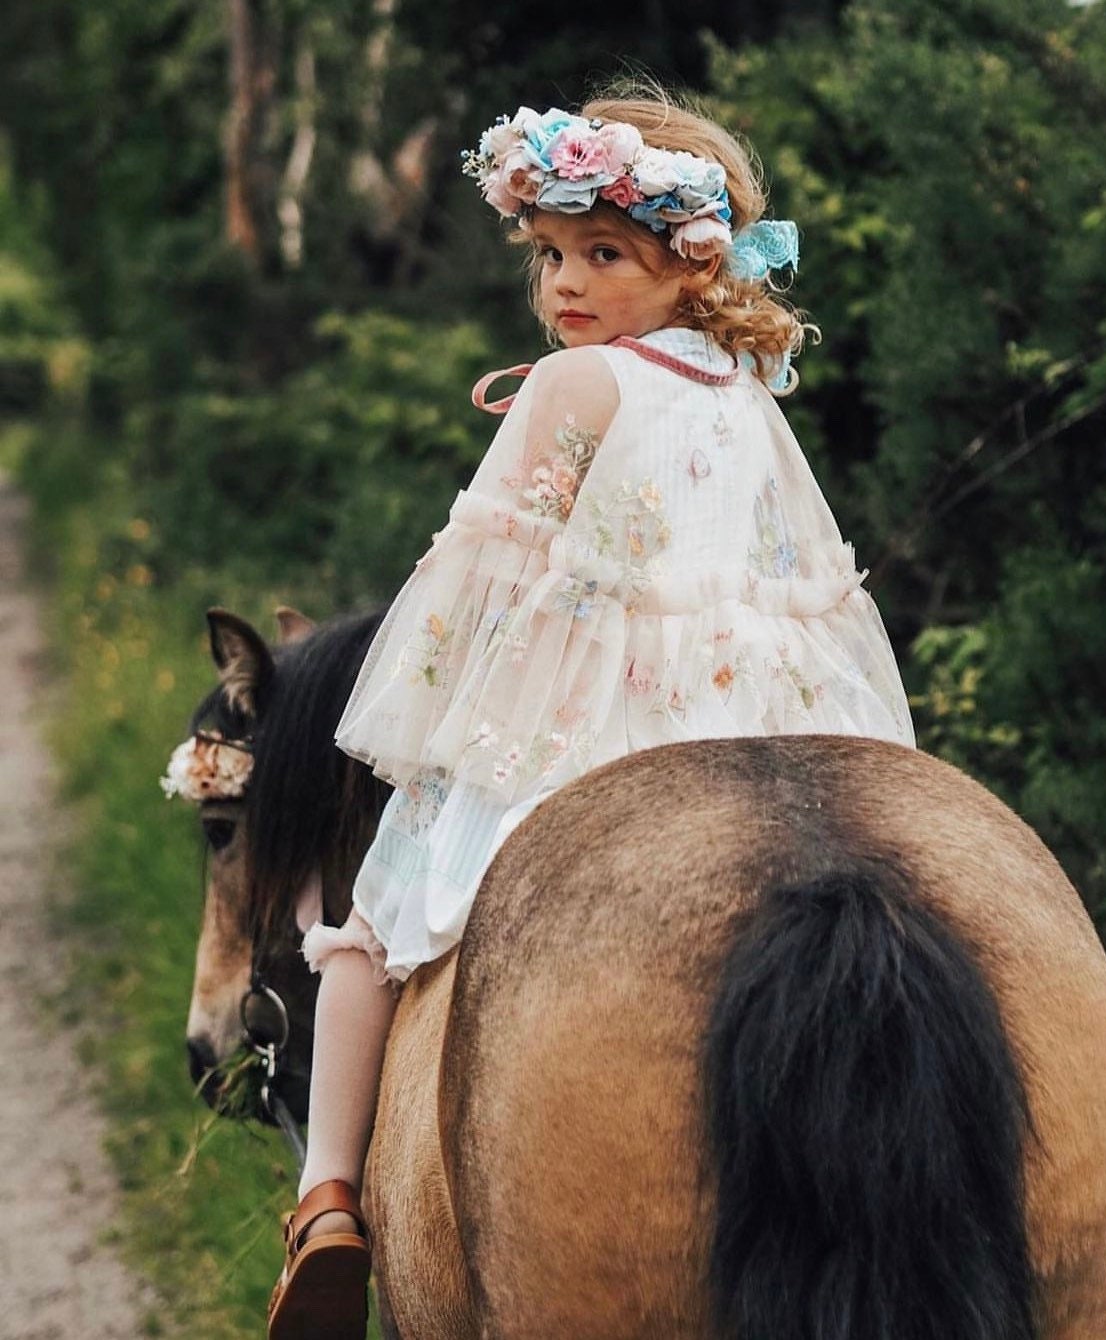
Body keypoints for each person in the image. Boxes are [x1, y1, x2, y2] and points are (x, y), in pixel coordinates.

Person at [266, 89, 915, 1340]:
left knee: (372, 929)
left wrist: (430, 720)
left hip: (581, 734)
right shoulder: (747, 396)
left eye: (603, 254)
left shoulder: (576, 387)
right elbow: (807, 580)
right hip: (754, 722)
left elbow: (477, 578)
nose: (566, 285)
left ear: (688, 263)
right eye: (552, 255)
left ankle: (329, 1199)